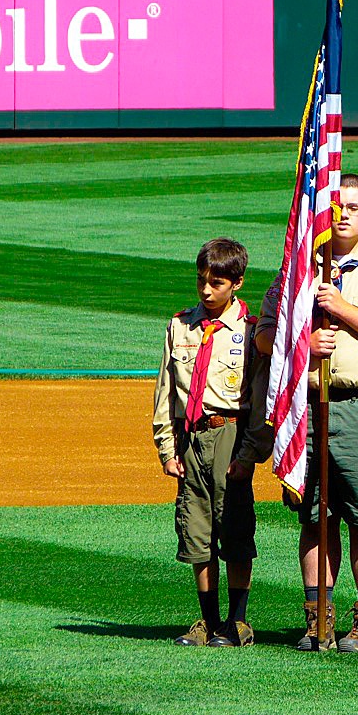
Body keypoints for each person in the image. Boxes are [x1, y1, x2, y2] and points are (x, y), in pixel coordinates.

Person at [256, 174, 358, 654]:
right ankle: (317, 619)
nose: (343, 214)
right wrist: (302, 345)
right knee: (314, 515)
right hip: (306, 408)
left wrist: (342, 308)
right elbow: (266, 335)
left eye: (354, 207)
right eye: (336, 207)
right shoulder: (299, 268)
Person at [152, 238, 259, 649]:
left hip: (230, 432)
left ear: (237, 283)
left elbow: (262, 393)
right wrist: (166, 447)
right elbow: (165, 392)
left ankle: (237, 619)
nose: (206, 290)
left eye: (216, 283)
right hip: (190, 435)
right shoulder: (180, 325)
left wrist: (249, 453)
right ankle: (207, 619)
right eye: (201, 281)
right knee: (195, 527)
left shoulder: (250, 332)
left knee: (233, 524)